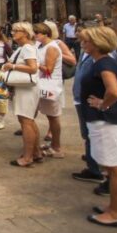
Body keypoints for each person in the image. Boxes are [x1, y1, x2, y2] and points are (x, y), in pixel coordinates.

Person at [80, 26, 117, 227]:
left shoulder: (104, 64)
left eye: (87, 41)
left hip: (107, 122)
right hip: (104, 121)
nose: (83, 44)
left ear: (98, 43)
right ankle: (113, 207)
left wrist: (103, 104)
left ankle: (116, 213)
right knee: (111, 166)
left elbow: (115, 91)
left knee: (115, 166)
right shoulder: (101, 61)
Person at [4, 22, 40, 167]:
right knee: (28, 121)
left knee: (26, 122)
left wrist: (12, 66)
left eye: (16, 31)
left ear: (25, 33)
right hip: (22, 88)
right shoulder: (23, 48)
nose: (13, 33)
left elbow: (33, 68)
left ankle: (27, 157)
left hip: (27, 90)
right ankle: (36, 152)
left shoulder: (28, 49)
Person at [35, 22, 65, 159]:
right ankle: (53, 144)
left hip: (51, 85)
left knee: (53, 116)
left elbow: (48, 70)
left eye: (37, 34)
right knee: (50, 116)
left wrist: (35, 65)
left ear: (45, 34)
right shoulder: (42, 46)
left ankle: (57, 147)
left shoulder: (52, 47)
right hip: (45, 84)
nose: (35, 36)